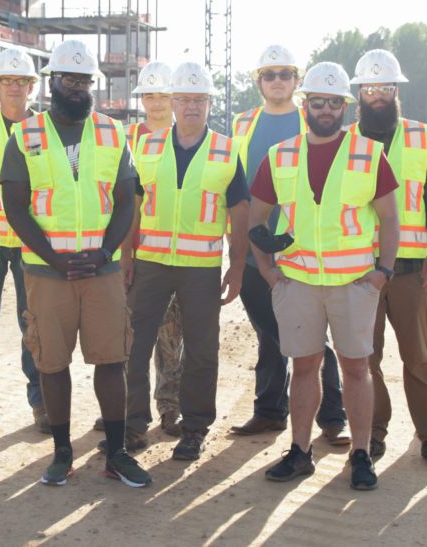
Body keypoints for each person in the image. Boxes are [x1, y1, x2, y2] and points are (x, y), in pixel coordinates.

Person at [1, 39, 152, 488]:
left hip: (100, 272)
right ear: (52, 83)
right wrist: (54, 257)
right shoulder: (25, 136)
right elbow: (15, 206)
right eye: (70, 79)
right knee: (51, 363)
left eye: (85, 80)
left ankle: (117, 452)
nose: (79, 87)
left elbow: (127, 200)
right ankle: (62, 453)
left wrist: (106, 252)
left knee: (111, 360)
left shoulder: (110, 133)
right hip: (48, 273)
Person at [249, 62, 399, 490]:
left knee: (357, 369)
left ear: (344, 108)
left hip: (354, 284)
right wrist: (266, 268)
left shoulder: (369, 154)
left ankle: (361, 455)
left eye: (335, 103)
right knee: (304, 367)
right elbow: (257, 216)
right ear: (305, 104)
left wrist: (383, 271)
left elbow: (390, 218)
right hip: (297, 282)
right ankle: (300, 452)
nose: (327, 109)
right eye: (319, 102)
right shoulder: (280, 156)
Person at [123, 62, 249, 462]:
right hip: (151, 264)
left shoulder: (227, 151)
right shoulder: (147, 146)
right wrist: (127, 256)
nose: (192, 106)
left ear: (209, 103)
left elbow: (241, 212)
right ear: (172, 102)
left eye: (199, 99)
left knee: (201, 350)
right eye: (184, 99)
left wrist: (238, 266)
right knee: (134, 344)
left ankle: (194, 429)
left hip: (201, 268)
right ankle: (133, 423)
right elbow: (134, 206)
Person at [231, 45, 350, 447]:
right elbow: (236, 186)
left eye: (285, 74)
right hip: (255, 247)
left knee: (316, 339)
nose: (277, 81)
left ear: (298, 82)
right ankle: (269, 411)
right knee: (269, 332)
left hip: (303, 250)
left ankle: (333, 416)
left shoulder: (315, 120)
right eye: (269, 74)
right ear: (259, 82)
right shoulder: (242, 124)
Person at [351, 49, 427, 469]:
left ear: (396, 92)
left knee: (419, 357)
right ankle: (373, 433)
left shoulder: (419, 137)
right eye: (371, 88)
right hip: (360, 269)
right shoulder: (346, 142)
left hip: (412, 270)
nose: (378, 96)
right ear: (359, 93)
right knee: (366, 359)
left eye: (385, 88)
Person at [98, 61, 185, 438]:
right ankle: (128, 411)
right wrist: (123, 254)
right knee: (129, 337)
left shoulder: (188, 136)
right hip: (136, 253)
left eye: (163, 94)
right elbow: (119, 200)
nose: (156, 102)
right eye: (149, 94)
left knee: (170, 339)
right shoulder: (126, 138)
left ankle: (171, 408)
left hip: (179, 255)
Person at [0, 47, 47, 432]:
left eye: (22, 81)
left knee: (32, 321)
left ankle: (41, 400)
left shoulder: (44, 130)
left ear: (31, 87)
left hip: (28, 239)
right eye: (8, 81)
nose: (15, 88)